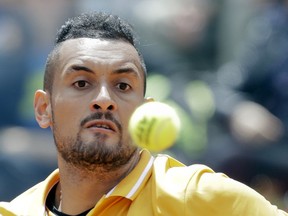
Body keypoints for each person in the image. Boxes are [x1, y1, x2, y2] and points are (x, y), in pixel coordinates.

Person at [0, 11, 287, 216]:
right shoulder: (13, 211)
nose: (104, 100)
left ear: (145, 111)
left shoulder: (200, 197)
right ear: (43, 109)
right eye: (82, 83)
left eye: (123, 85)